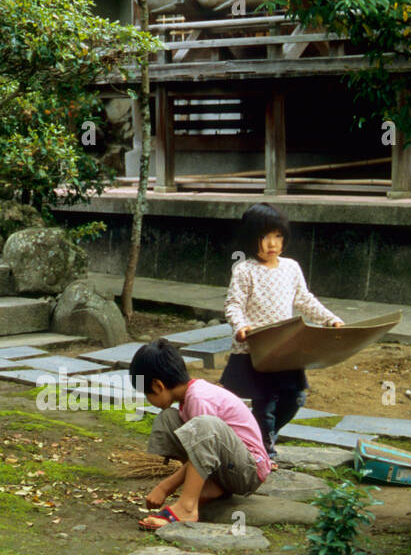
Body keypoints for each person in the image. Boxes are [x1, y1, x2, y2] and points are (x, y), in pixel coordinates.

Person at [220, 203, 344, 464]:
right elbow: (233, 304)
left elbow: (305, 300)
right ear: (251, 238)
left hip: (285, 349)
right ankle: (266, 455)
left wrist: (330, 319)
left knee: (295, 397)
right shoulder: (244, 270)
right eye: (264, 237)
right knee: (264, 403)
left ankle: (255, 437)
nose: (271, 244)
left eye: (277, 236)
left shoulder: (291, 267)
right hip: (257, 349)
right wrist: (240, 325)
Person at [129, 339, 271, 531]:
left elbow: (205, 441)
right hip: (226, 464)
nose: (148, 399)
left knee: (203, 426)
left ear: (157, 386)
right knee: (167, 419)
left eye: (147, 393)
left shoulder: (199, 398)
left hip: (248, 471)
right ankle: (209, 487)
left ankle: (187, 506)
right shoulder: (186, 399)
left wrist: (166, 486)